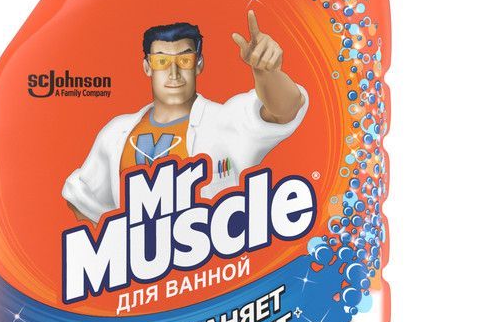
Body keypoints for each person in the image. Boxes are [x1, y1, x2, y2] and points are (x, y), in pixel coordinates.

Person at [62, 11, 308, 223]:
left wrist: (267, 74)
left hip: (213, 261)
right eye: (161, 61)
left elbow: (284, 110)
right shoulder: (117, 132)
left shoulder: (225, 121)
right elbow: (82, 199)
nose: (174, 72)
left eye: (184, 59)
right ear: (147, 67)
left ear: (198, 64)